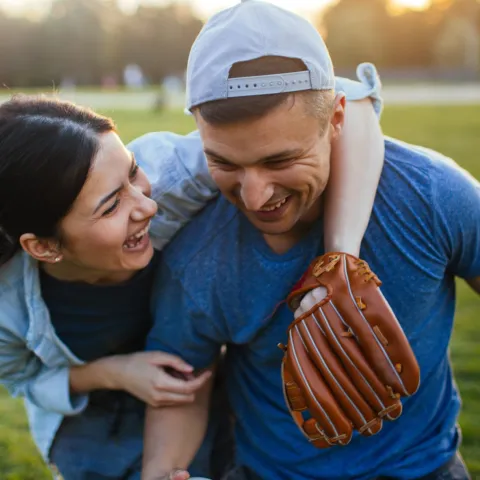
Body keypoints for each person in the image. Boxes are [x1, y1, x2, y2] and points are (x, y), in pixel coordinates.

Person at [141, 2, 480, 480]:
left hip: (426, 467)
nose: (255, 196)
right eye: (226, 163)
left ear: (337, 118)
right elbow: (183, 387)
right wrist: (160, 471)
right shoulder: (198, 254)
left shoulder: (431, 195)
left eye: (280, 160)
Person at [0, 69, 383, 480]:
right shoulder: (7, 308)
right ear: (43, 246)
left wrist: (340, 259)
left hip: (199, 384)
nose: (146, 206)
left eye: (131, 172)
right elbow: (25, 380)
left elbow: (348, 101)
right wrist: (117, 372)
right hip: (93, 417)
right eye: (111, 206)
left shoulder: (168, 177)